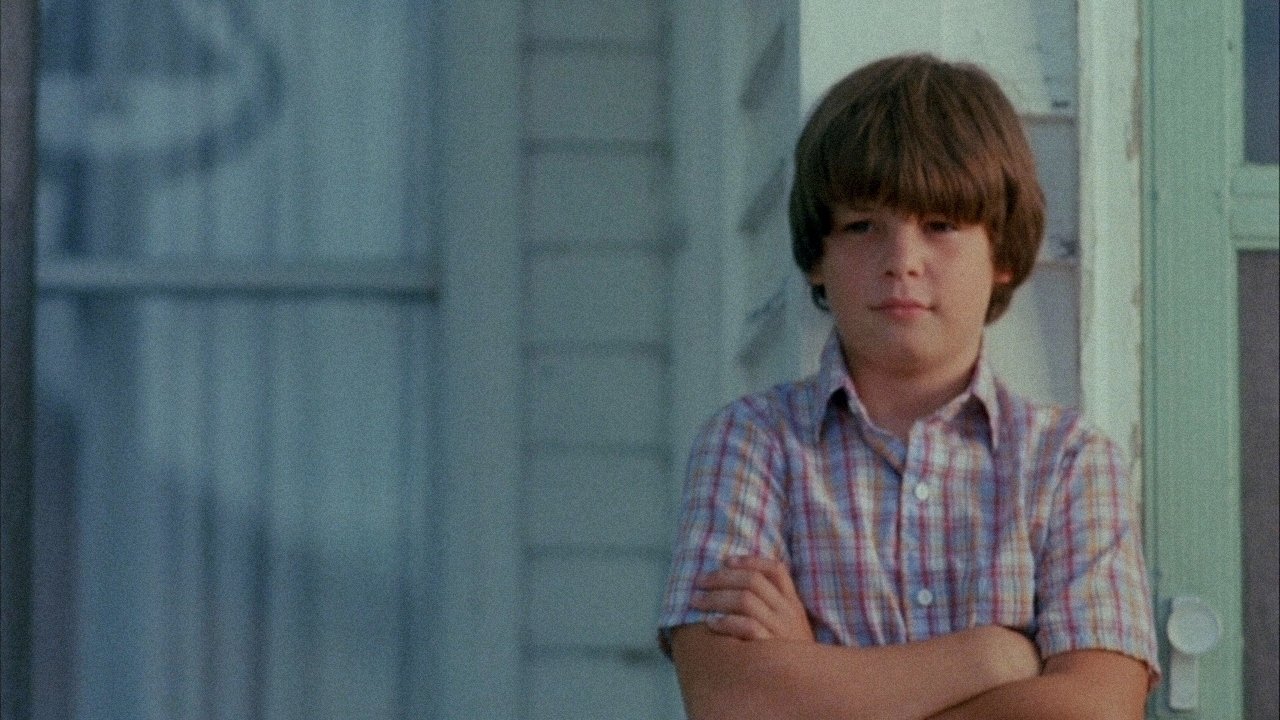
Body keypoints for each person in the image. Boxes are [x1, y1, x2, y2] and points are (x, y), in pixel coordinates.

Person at [658, 54, 1160, 720]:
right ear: (817, 255)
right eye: (861, 226)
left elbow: (1095, 711)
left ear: (1003, 253)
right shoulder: (752, 445)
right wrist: (992, 658)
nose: (901, 262)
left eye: (941, 225)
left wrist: (816, 682)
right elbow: (733, 699)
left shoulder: (1068, 464)